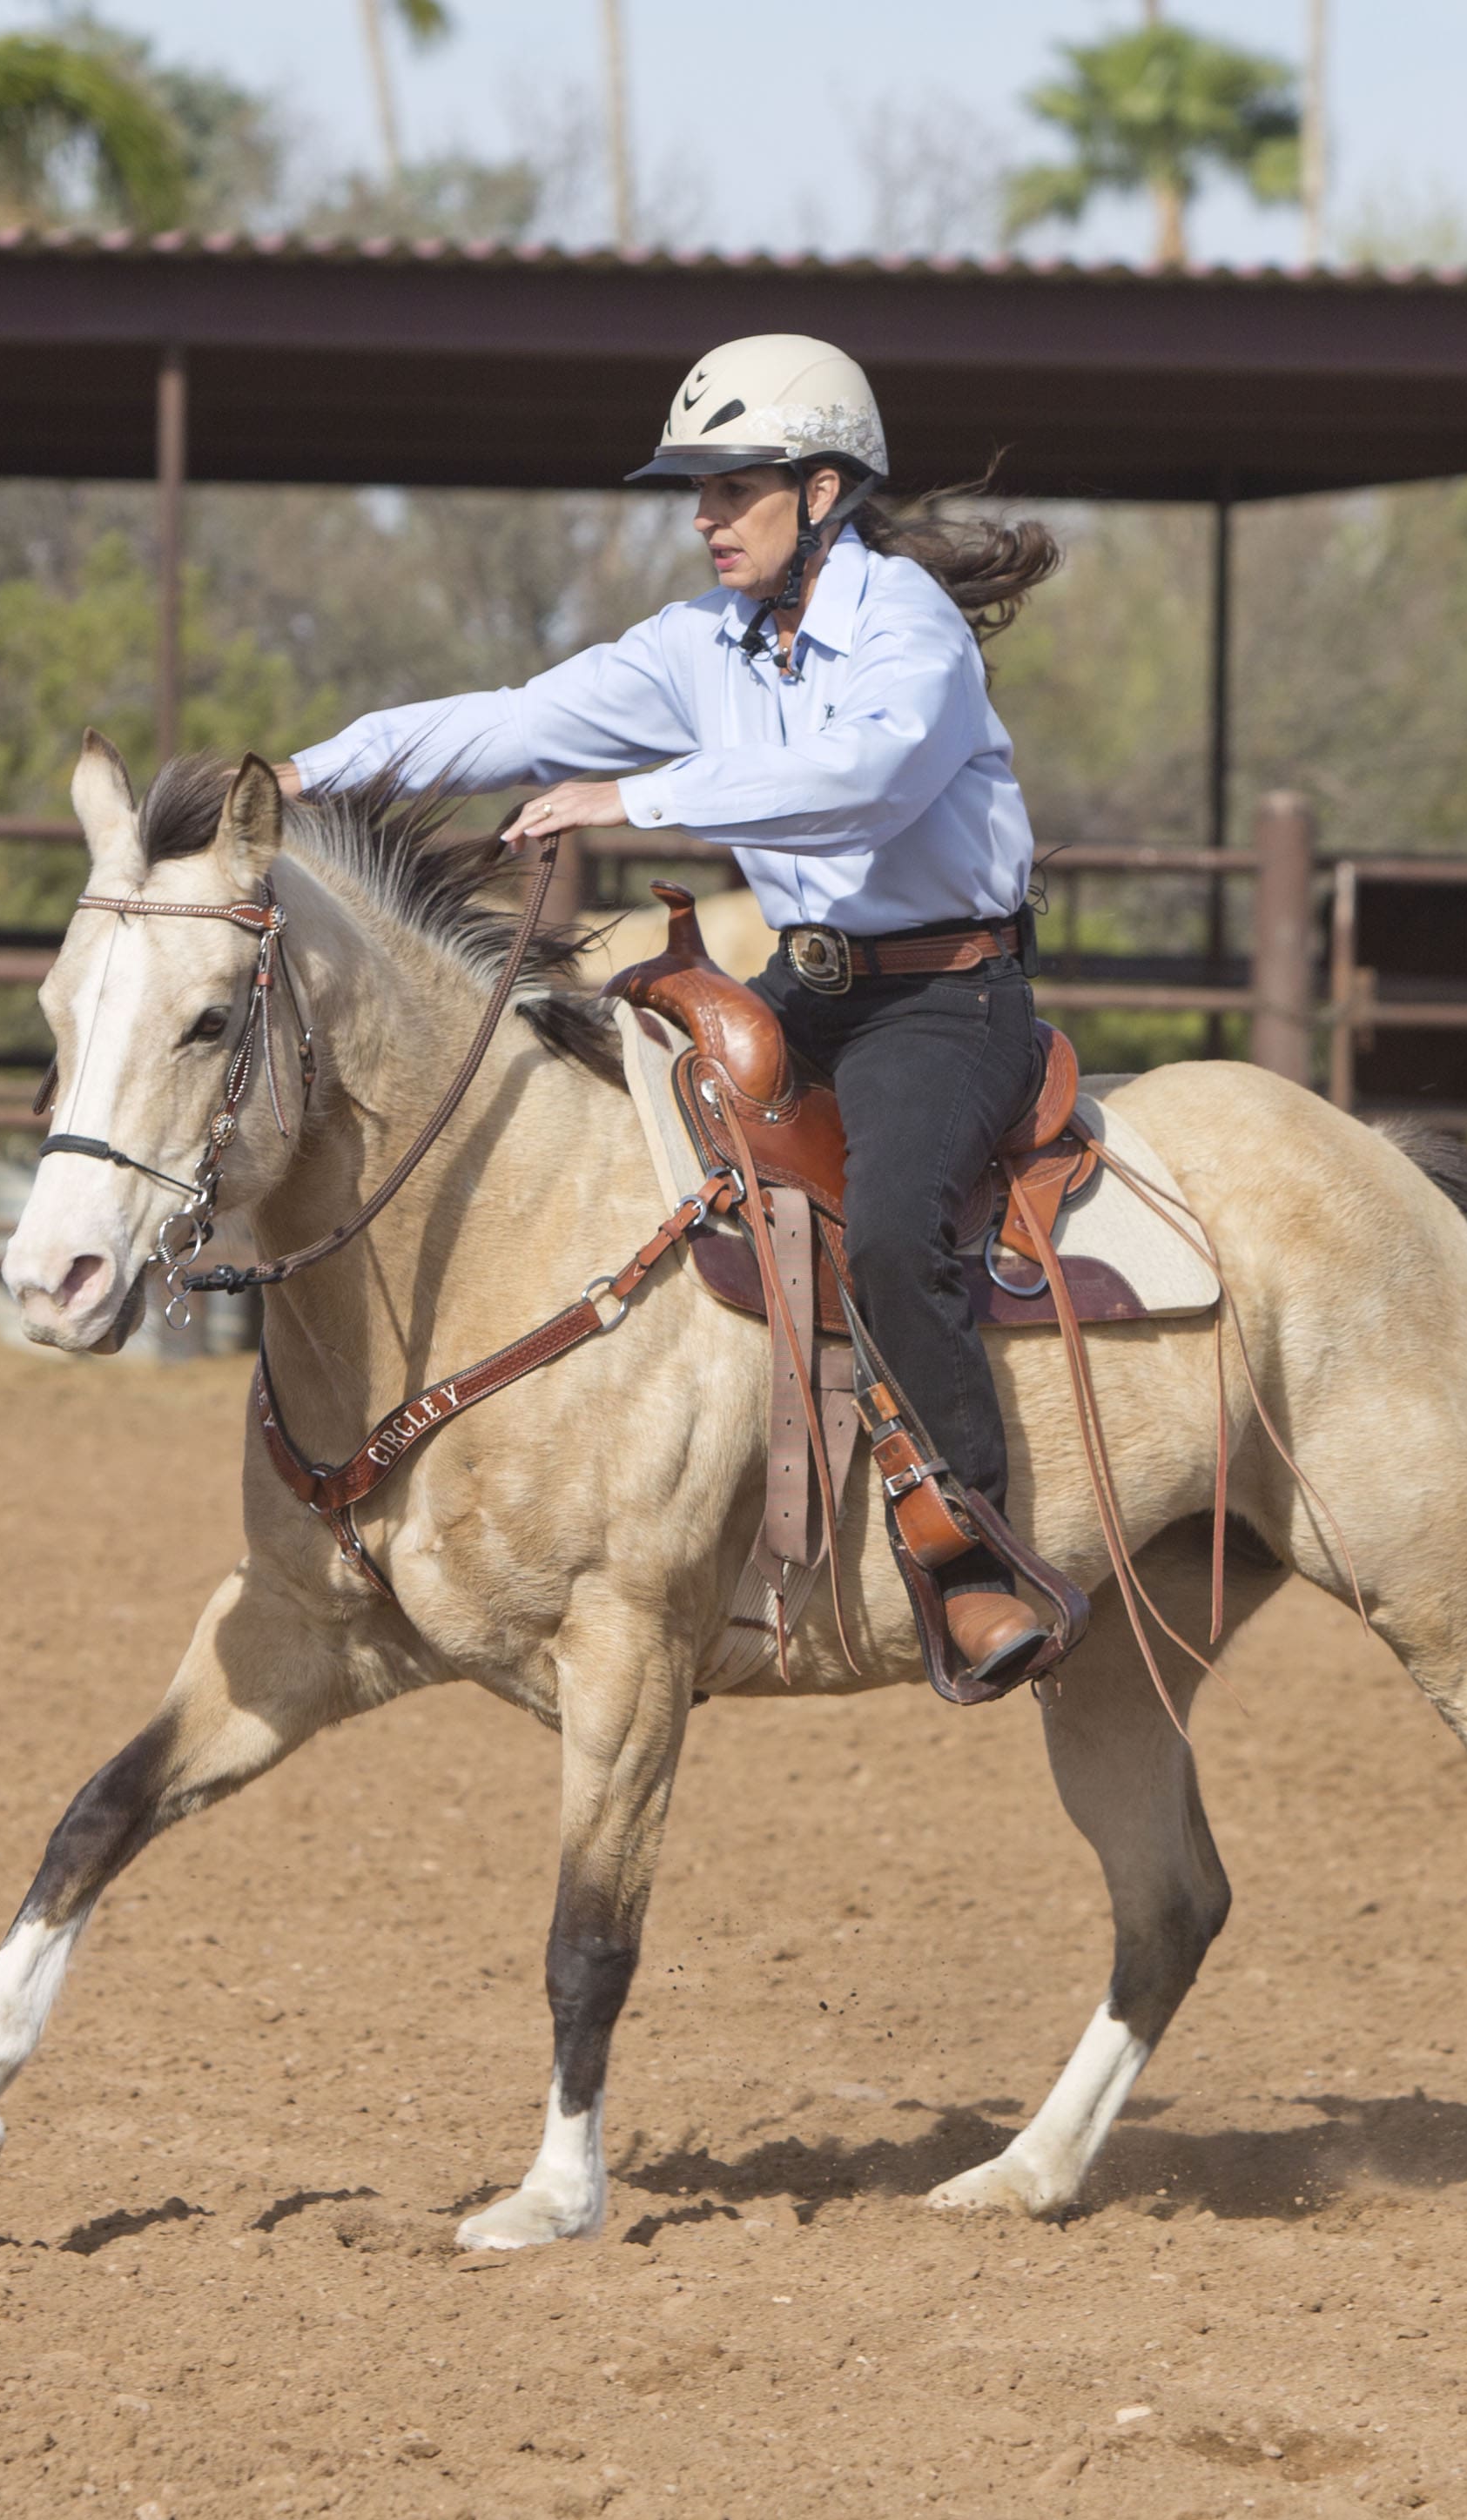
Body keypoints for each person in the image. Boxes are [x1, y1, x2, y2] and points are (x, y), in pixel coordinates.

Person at [286, 333, 1067, 1690]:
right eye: (695, 493)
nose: (704, 518)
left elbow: (864, 780)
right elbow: (520, 719)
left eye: (732, 488)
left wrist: (634, 797)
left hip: (951, 1003)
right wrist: (309, 769)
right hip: (809, 992)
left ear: (823, 491)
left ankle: (971, 1558)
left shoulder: (907, 627)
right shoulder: (703, 642)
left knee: (887, 1230)